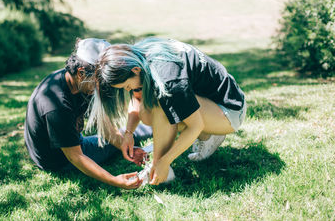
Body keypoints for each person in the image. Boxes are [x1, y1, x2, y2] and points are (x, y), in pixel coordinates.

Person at [87, 37, 247, 185]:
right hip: (210, 103)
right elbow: (137, 98)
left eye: (127, 86)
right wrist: (128, 133)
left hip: (230, 112)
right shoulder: (137, 57)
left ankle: (159, 169)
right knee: (147, 113)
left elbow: (195, 125)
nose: (130, 90)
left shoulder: (169, 79)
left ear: (135, 70)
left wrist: (164, 161)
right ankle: (207, 137)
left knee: (160, 105)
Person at [24, 38, 153, 189]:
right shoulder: (56, 106)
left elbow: (104, 125)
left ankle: (155, 129)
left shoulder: (79, 82)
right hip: (58, 160)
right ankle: (158, 129)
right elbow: (76, 156)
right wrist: (115, 180)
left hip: (71, 143)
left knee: (126, 137)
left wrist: (124, 146)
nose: (104, 85)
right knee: (122, 138)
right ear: (81, 73)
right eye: (101, 80)